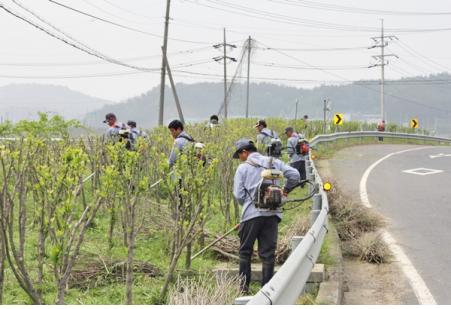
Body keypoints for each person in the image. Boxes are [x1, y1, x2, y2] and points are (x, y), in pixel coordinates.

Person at [233, 139, 300, 293]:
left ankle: (243, 290)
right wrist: (286, 191)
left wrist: (249, 205)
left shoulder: (243, 169)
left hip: (250, 216)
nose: (240, 158)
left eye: (240, 155)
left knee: (245, 252)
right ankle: (267, 292)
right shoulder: (274, 162)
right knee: (268, 254)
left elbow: (238, 195)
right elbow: (295, 175)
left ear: (245, 152)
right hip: (272, 215)